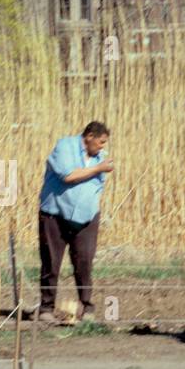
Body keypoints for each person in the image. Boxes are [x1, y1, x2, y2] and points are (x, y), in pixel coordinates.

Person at [37, 121, 113, 324]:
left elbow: (98, 185)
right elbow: (68, 176)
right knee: (51, 262)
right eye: (101, 142)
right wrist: (98, 169)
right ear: (89, 137)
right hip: (54, 214)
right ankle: (46, 307)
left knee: (84, 261)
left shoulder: (100, 158)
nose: (102, 147)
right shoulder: (65, 147)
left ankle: (86, 306)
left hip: (87, 218)